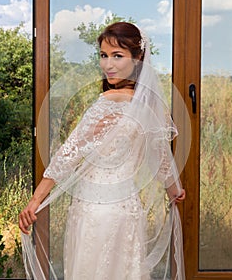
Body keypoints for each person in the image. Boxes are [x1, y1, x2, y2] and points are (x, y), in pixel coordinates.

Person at [19, 22, 186, 280]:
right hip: (128, 212)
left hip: (94, 210)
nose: (108, 65)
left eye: (117, 56)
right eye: (103, 55)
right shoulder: (154, 108)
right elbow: (162, 160)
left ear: (138, 58)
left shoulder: (109, 102)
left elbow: (69, 152)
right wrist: (175, 191)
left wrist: (35, 200)